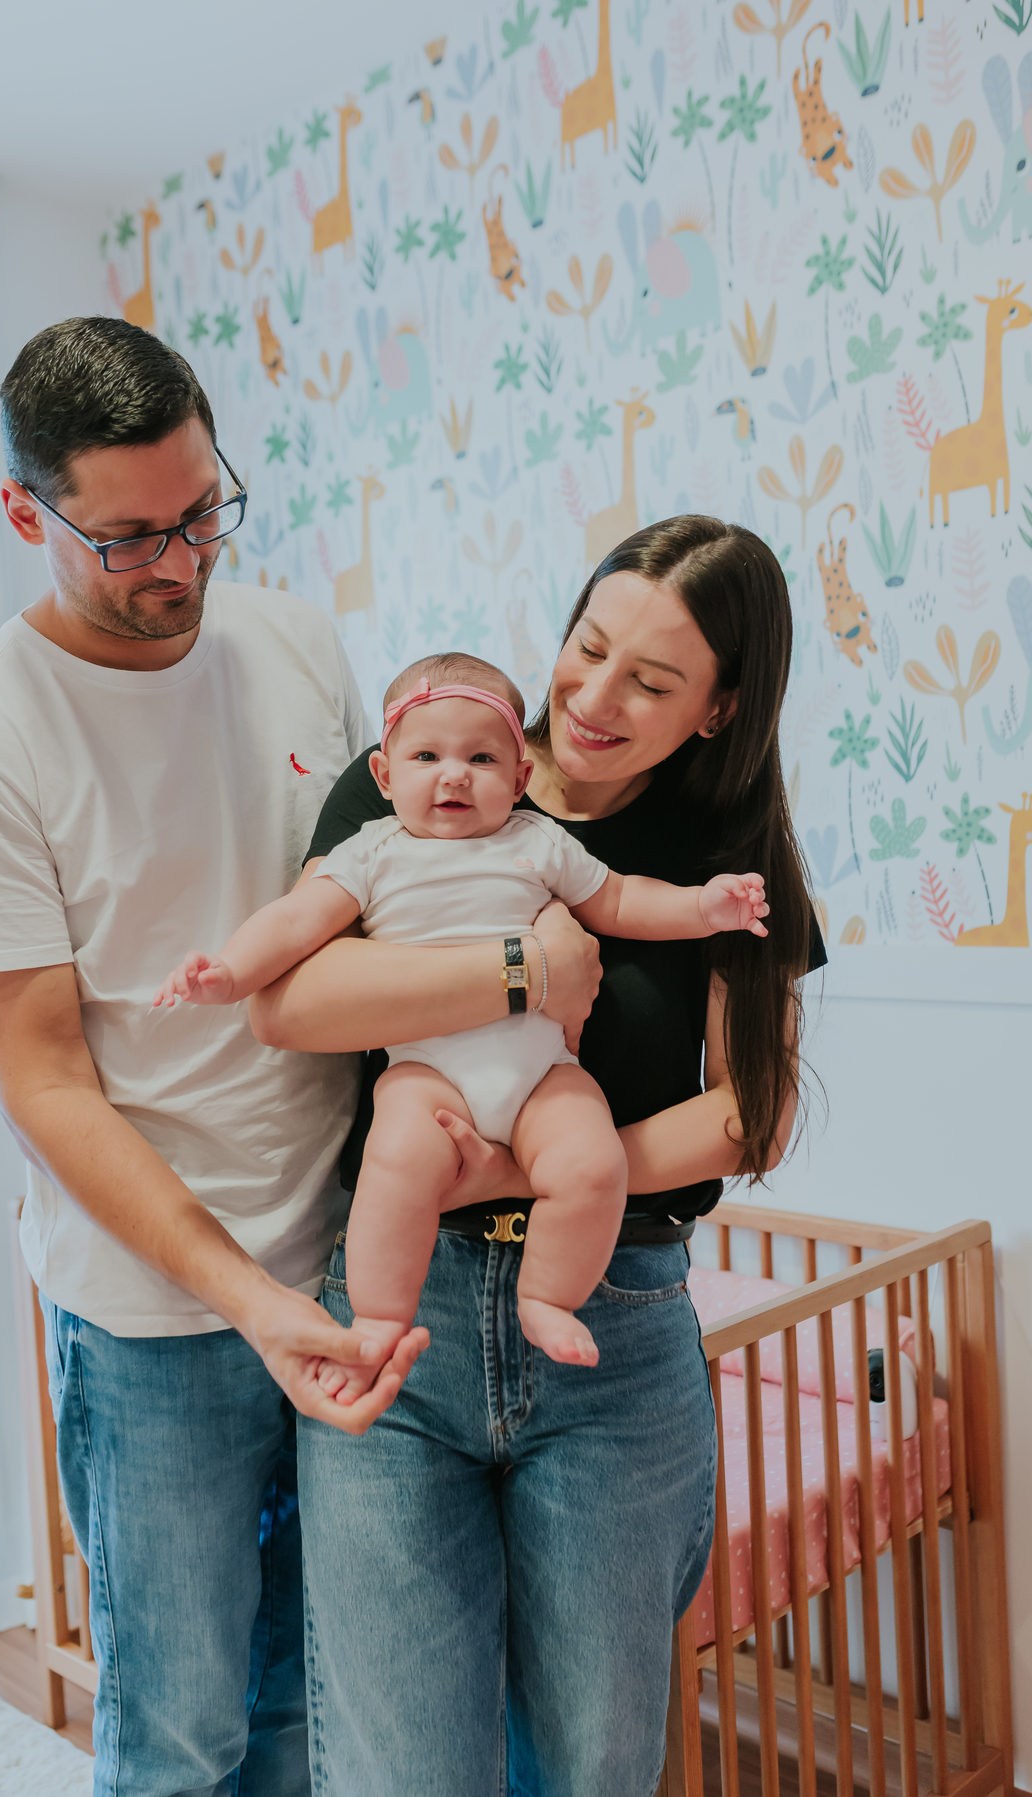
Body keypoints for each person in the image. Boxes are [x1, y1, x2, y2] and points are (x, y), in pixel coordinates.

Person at [0, 315, 434, 1797]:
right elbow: (46, 1085)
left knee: (312, 1701)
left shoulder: (296, 641)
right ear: (27, 516)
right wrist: (249, 1300)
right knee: (184, 1726)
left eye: (205, 511)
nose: (184, 563)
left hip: (347, 1262)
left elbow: (371, 900)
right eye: (131, 537)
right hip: (155, 1318)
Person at [251, 517, 827, 1796]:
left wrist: (532, 1169)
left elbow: (752, 1114)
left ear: (721, 709)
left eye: (652, 681)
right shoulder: (429, 763)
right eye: (588, 646)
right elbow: (292, 1003)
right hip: (403, 1310)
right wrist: (524, 968)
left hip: (612, 1323)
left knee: (594, 1765)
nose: (594, 697)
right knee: (402, 1767)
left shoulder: (724, 860)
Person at [153, 652, 769, 1379]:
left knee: (592, 1161)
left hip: (542, 1071)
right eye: (427, 756)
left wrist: (704, 907)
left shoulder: (539, 842)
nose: (454, 775)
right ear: (384, 775)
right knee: (396, 1163)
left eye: (481, 758)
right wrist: (228, 972)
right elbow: (293, 923)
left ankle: (548, 1297)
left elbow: (622, 899)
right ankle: (380, 1318)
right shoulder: (371, 852)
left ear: (520, 778)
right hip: (428, 1073)